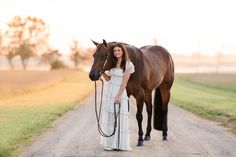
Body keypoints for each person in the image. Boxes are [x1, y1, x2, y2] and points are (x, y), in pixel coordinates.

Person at [100, 43, 135, 151]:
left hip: (119, 92)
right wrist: (102, 72)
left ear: (123, 51)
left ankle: (119, 144)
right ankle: (110, 144)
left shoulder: (128, 65)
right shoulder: (112, 63)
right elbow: (109, 79)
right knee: (110, 117)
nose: (116, 53)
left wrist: (119, 96)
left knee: (119, 117)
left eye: (119, 50)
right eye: (115, 51)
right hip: (110, 91)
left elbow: (124, 82)